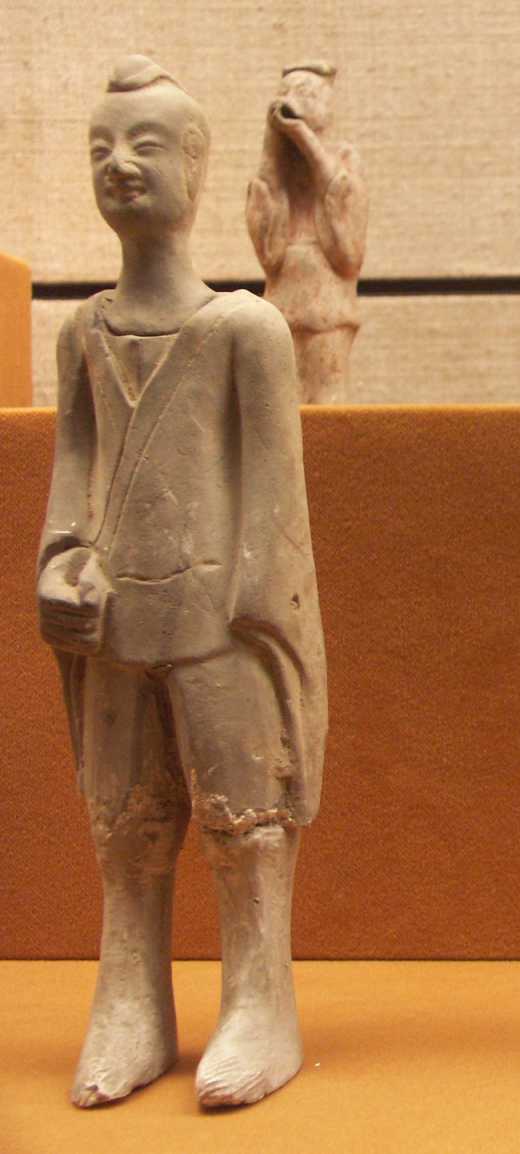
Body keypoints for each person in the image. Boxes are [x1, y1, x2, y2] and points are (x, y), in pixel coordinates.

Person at [40, 56, 327, 1109]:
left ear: (198, 167)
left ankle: (260, 1000)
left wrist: (253, 617)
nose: (120, 164)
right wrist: (61, 561)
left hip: (221, 619)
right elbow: (74, 469)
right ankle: (133, 994)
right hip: (115, 615)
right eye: (101, 149)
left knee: (244, 820)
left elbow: (275, 497)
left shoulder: (246, 329)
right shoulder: (82, 331)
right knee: (125, 824)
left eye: (146, 146)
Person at [246, 61, 368, 403]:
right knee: (280, 404)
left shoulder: (344, 157)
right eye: (284, 93)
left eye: (304, 93)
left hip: (328, 303)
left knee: (329, 399)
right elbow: (268, 251)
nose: (290, 101)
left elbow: (348, 253)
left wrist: (304, 138)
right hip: (282, 302)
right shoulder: (276, 167)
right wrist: (271, 145)